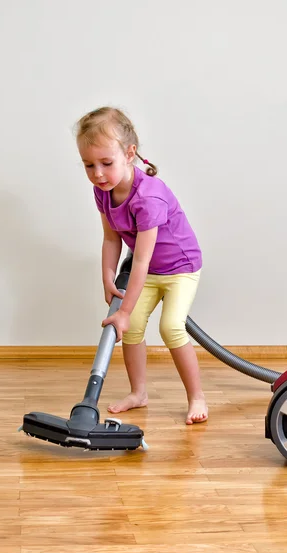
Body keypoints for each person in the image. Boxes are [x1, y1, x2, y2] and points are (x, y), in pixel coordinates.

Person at [75, 107, 207, 424]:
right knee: (132, 328)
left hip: (180, 269)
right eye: (88, 165)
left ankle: (197, 397)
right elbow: (111, 239)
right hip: (148, 272)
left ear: (130, 153)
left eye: (106, 163)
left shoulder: (148, 197)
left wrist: (122, 310)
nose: (97, 173)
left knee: (171, 327)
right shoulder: (102, 192)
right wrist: (107, 277)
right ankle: (139, 393)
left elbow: (143, 260)